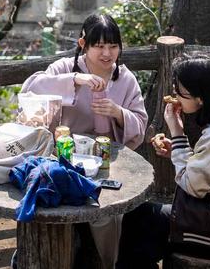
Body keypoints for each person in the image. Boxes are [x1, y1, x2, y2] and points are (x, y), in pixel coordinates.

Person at [19, 13, 148, 268]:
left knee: (105, 212)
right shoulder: (66, 68)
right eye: (99, 46)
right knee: (45, 203)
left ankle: (107, 262)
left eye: (113, 46)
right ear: (83, 45)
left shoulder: (125, 78)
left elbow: (140, 123)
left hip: (103, 161)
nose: (107, 53)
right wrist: (75, 80)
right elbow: (30, 90)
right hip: (60, 157)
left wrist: (118, 113)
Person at [117, 52, 210, 268]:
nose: (175, 96)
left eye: (180, 92)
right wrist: (177, 149)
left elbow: (192, 186)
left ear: (201, 97)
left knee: (137, 220)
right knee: (140, 221)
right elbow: (209, 164)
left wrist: (176, 131)